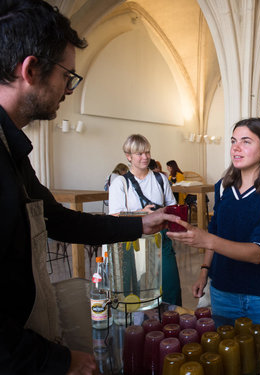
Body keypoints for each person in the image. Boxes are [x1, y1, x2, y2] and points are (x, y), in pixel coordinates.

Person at [0, 2, 177, 373]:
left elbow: (59, 220)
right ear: (30, 69)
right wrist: (54, 360)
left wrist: (140, 225)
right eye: (68, 76)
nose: (69, 89)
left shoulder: (11, 146)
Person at [168, 118, 260, 330]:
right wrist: (204, 271)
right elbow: (216, 229)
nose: (236, 147)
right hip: (223, 291)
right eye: (234, 140)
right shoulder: (223, 187)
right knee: (227, 356)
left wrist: (206, 238)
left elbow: (258, 253)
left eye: (246, 141)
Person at [108, 134, 182, 306]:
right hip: (134, 241)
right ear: (129, 156)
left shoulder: (160, 179)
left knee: (170, 287)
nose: (145, 157)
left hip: (161, 240)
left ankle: (172, 324)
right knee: (138, 293)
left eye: (147, 152)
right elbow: (113, 216)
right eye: (139, 154)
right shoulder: (120, 183)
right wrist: (140, 213)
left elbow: (171, 206)